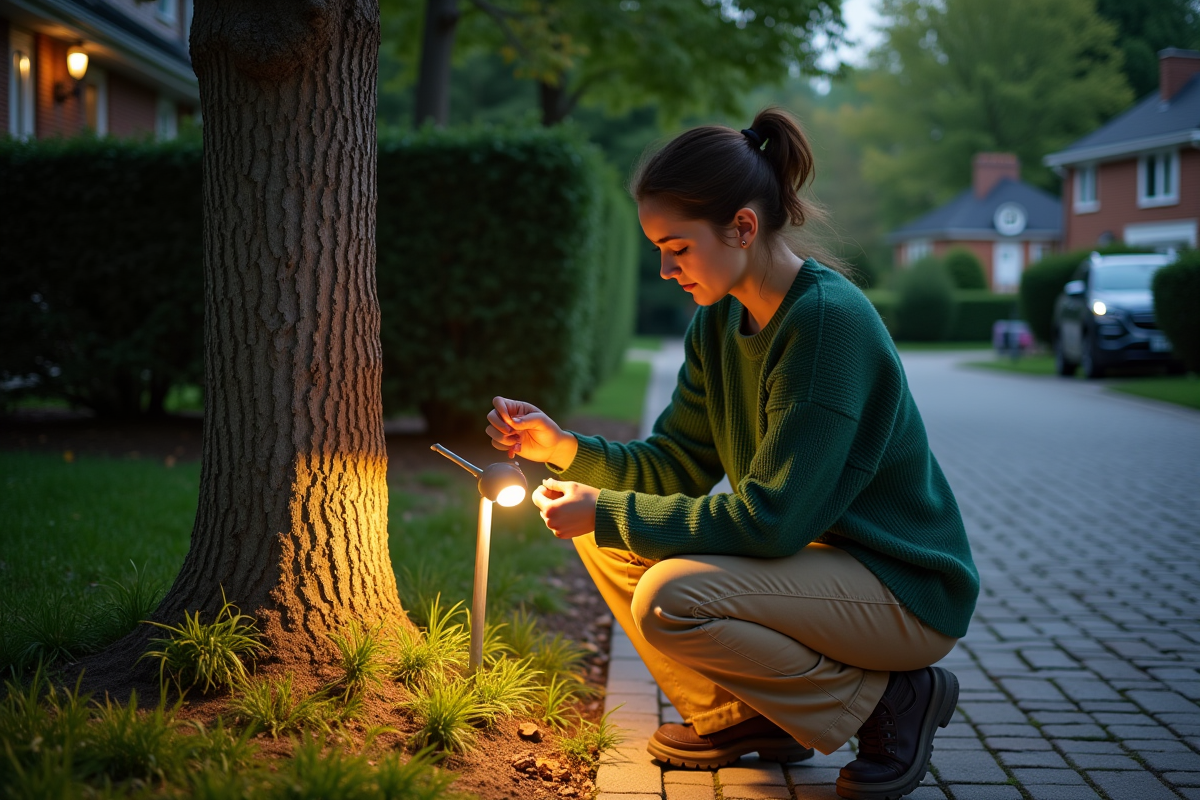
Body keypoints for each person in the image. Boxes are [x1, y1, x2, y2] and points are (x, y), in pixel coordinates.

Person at [485, 107, 978, 800]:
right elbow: (673, 464)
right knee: (602, 532)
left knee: (668, 596)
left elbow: (771, 521)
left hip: (902, 588)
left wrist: (611, 510)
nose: (664, 269)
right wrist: (564, 449)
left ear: (742, 227)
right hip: (816, 566)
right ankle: (743, 717)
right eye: (659, 249)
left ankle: (890, 703)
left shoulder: (826, 326)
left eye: (677, 248)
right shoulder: (719, 322)